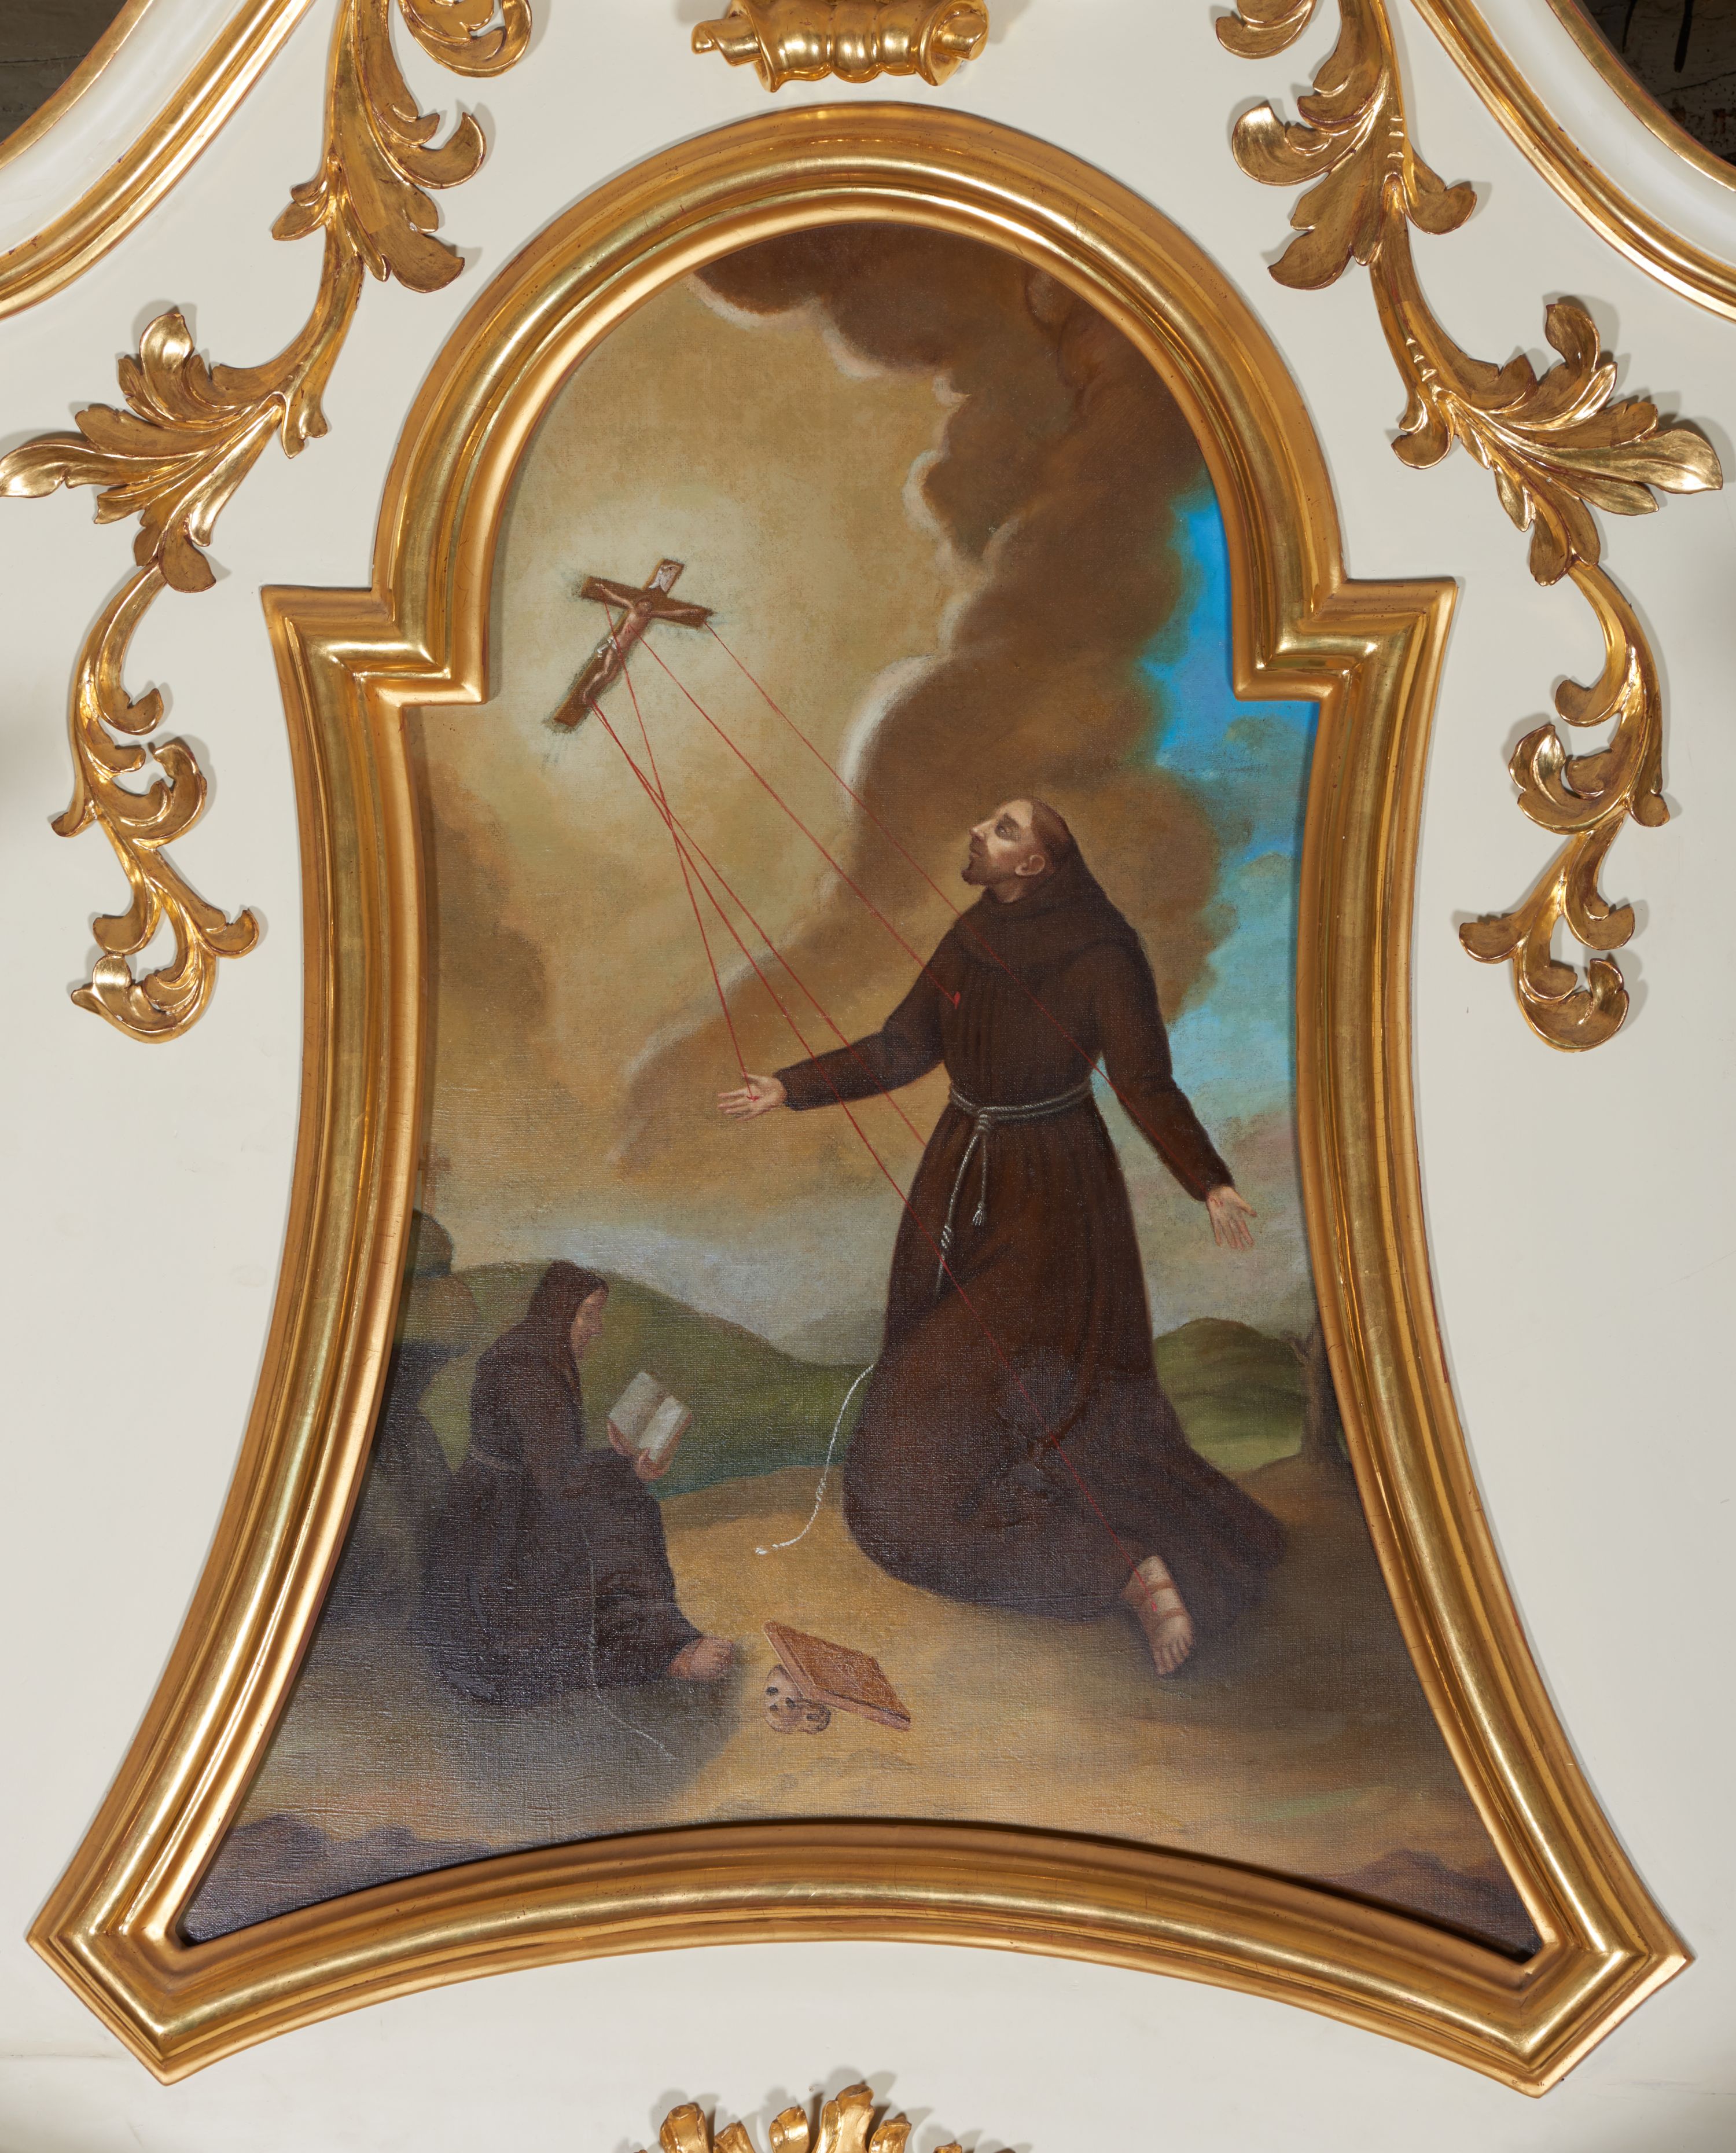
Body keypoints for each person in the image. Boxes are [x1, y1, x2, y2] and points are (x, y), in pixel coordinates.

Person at [722, 798, 1284, 1677]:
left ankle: (1123, 1571)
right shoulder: (973, 934)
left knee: (992, 1428)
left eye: (1005, 828)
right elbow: (903, 1048)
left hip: (1054, 1210)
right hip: (959, 1181)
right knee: (897, 1473)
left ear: (1036, 865)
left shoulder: (1103, 951)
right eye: (987, 822)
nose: (980, 832)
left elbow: (1143, 1080)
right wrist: (791, 1088)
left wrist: (1205, 1178)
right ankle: (1076, 1549)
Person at [419, 1259, 733, 1705]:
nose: (597, 1328)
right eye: (589, 1314)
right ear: (559, 1311)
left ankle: (662, 1643)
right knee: (626, 1515)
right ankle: (666, 1653)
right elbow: (557, 1482)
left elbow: (551, 1468)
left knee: (623, 1504)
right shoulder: (530, 1369)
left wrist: (623, 1466)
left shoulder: (537, 1353)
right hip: (499, 1530)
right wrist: (626, 1469)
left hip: (511, 1503)